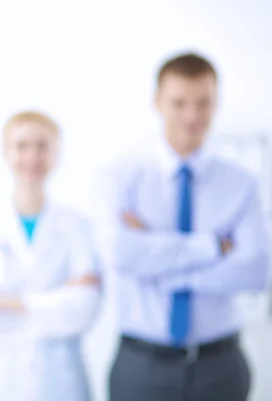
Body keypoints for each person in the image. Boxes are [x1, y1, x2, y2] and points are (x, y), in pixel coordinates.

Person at [96, 53, 270, 401]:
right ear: (157, 102)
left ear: (216, 102)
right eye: (179, 103)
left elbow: (255, 270)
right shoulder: (123, 177)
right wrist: (212, 247)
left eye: (203, 102)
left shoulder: (241, 183)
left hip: (220, 366)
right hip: (141, 365)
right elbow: (122, 255)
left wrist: (157, 262)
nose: (191, 116)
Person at [0, 111, 101, 401]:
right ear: (6, 153)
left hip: (62, 385)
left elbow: (82, 309)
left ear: (56, 154)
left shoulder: (77, 226)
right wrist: (54, 302)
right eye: (22, 146)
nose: (32, 156)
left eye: (42, 146)